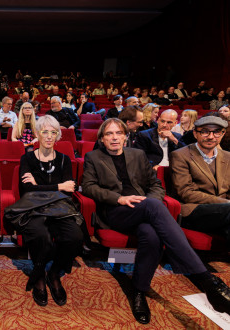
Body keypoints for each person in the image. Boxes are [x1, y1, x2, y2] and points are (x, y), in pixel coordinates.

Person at [82, 118, 230, 324]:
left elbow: (156, 185)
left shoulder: (138, 155)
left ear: (126, 137)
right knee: (153, 207)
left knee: (151, 236)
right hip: (116, 212)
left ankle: (139, 291)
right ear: (102, 139)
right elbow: (88, 187)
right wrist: (119, 198)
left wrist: (151, 204)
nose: (114, 138)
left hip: (144, 209)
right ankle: (207, 280)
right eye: (109, 134)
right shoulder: (93, 157)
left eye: (118, 133)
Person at [14, 115, 83, 307]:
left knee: (75, 237)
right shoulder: (27, 158)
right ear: (37, 134)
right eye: (45, 131)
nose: (49, 136)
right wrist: (59, 186)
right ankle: (39, 276)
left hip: (59, 209)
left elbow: (70, 190)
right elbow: (28, 190)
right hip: (34, 209)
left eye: (54, 132)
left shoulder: (64, 160)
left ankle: (54, 273)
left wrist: (40, 186)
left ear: (58, 136)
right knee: (41, 235)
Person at [170, 116, 230, 249]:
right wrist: (225, 203)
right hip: (194, 210)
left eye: (216, 132)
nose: (211, 136)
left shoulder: (228, 157)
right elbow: (186, 193)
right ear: (195, 133)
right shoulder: (180, 155)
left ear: (222, 134)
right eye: (205, 131)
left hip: (224, 212)